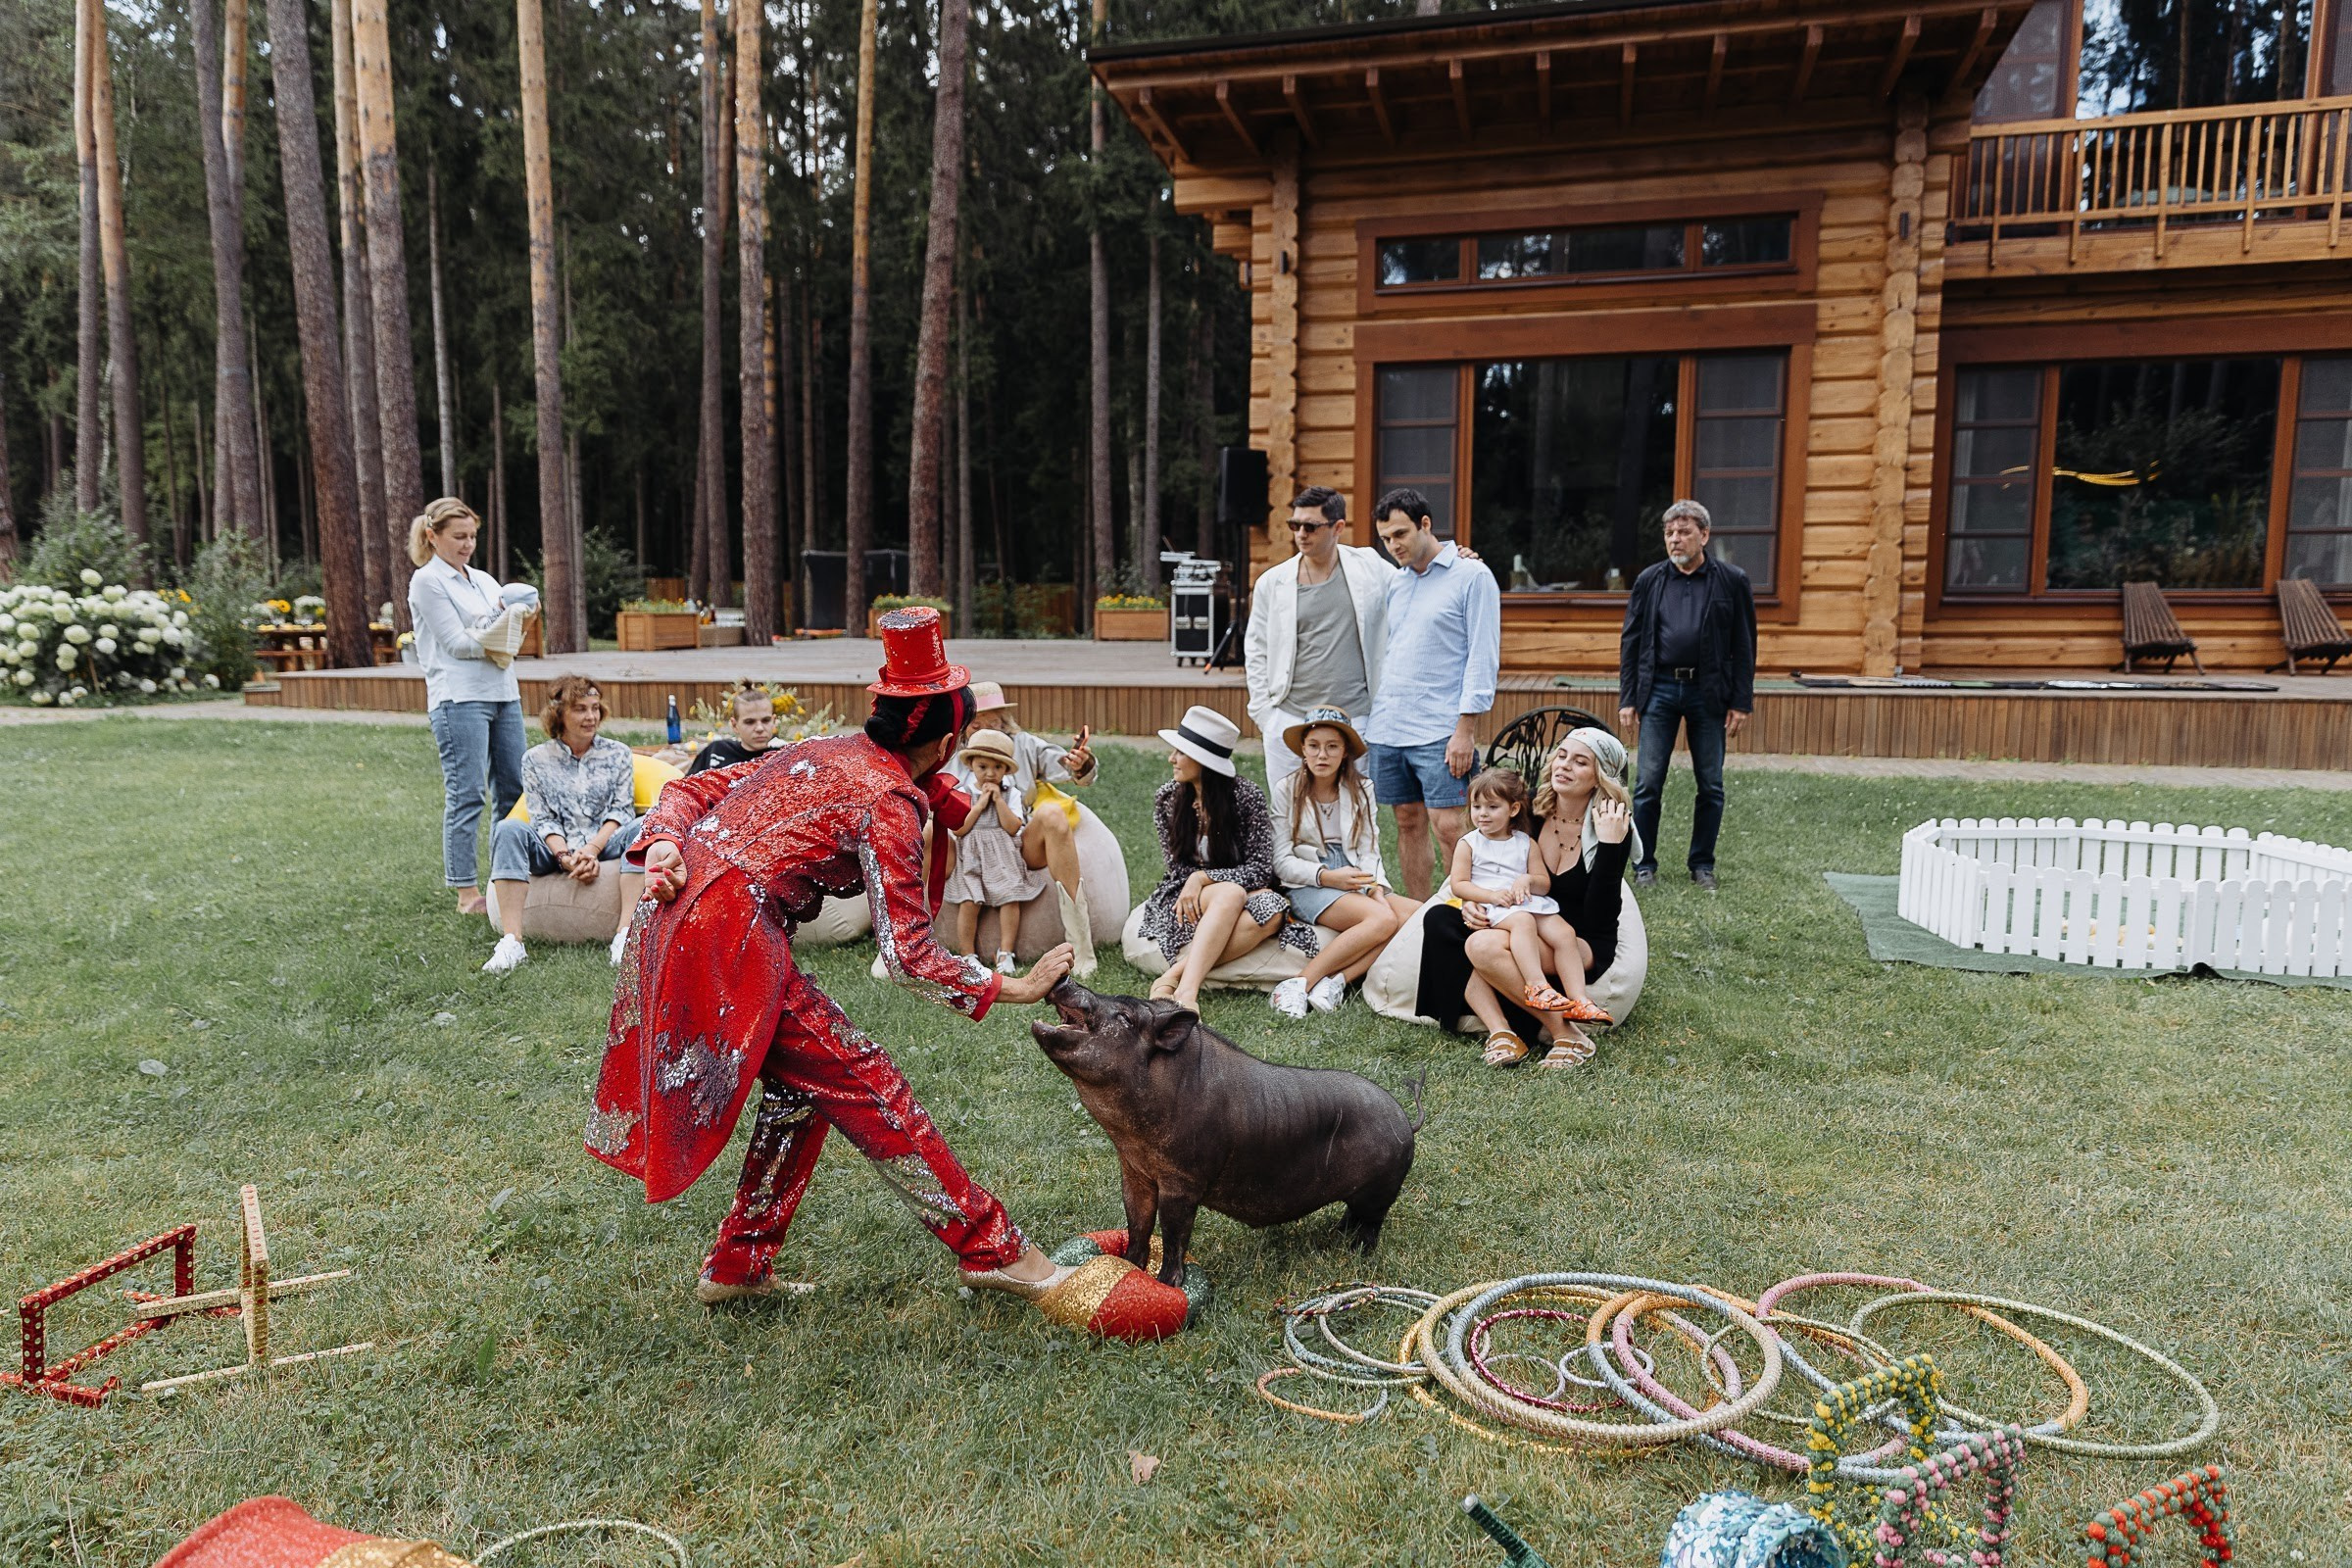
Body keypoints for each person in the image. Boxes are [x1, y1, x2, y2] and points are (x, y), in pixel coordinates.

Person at [587, 607, 1080, 1308]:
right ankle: (992, 1248)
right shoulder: (887, 798)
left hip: (678, 915)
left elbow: (690, 788)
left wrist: (668, 839)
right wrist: (1014, 986)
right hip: (727, 934)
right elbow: (907, 954)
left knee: (803, 1087)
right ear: (945, 741)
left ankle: (737, 1267)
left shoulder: (836, 750)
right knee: (862, 1074)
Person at [1416, 730, 1642, 1069]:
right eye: (1562, 755)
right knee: (1439, 919)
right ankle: (1503, 1032)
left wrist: (1610, 847)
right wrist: (1475, 904)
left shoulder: (1611, 827)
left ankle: (1568, 1035)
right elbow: (1494, 860)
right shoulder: (1532, 809)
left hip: (1575, 937)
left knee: (1482, 947)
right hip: (1517, 915)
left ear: (1600, 776)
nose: (1564, 766)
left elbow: (1600, 917)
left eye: (1580, 762)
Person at [1364, 487, 1501, 901]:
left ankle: (1467, 911)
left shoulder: (1472, 576)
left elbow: (1483, 654)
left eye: (1401, 534)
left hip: (1441, 729)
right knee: (1407, 821)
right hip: (1388, 726)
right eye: (1386, 539)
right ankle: (1420, 915)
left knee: (1450, 825)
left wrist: (1466, 727)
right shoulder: (1397, 582)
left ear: (1425, 524)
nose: (1394, 546)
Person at [1132, 705, 1316, 1012]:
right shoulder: (1168, 798)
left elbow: (1260, 868)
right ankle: (1188, 995)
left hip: (1240, 890)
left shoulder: (1246, 797)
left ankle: (1171, 978)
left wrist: (1204, 877)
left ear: (1203, 761)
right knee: (1230, 892)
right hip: (1186, 894)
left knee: (1272, 912)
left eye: (1180, 753)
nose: (1171, 759)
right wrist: (1197, 882)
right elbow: (1178, 869)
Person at [1617, 498, 1756, 892]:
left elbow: (1744, 645)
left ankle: (1702, 865)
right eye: (1669, 533)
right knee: (1647, 784)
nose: (1675, 540)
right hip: (1658, 689)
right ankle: (1644, 866)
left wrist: (1741, 701)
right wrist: (1629, 698)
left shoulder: (1731, 580)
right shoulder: (1650, 580)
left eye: (1683, 532)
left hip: (1708, 692)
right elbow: (1631, 641)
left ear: (1704, 535)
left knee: (1710, 784)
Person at [406, 497, 530, 917]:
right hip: (458, 700)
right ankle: (465, 892)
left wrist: (512, 624)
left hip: (503, 694)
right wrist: (499, 631)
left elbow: (504, 629)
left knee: (513, 791)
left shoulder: (483, 579)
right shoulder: (427, 582)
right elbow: (456, 644)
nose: (467, 545)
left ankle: (502, 880)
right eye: (458, 537)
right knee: (468, 795)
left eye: (472, 536)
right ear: (432, 536)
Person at [484, 675, 645, 974]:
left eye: (595, 708)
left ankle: (625, 936)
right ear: (559, 714)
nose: (591, 716)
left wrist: (592, 850)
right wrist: (565, 857)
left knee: (646, 825)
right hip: (553, 851)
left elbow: (621, 810)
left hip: (605, 843)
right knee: (507, 829)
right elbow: (542, 818)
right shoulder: (535, 759)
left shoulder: (619, 753)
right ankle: (512, 942)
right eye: (581, 709)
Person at [1266, 707, 1416, 1020]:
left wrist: (1374, 886)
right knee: (1384, 921)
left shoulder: (1362, 790)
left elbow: (1369, 849)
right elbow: (1281, 860)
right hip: (1309, 880)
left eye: (1332, 746)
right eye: (1314, 746)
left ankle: (1335, 982)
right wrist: (1326, 877)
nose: (1323, 754)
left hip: (1355, 873)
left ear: (1345, 752)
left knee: (1416, 917)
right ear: (1303, 751)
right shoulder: (1287, 790)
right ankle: (1297, 984)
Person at [1242, 486, 1390, 787]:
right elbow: (1256, 649)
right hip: (1290, 717)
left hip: (1355, 718)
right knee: (1289, 818)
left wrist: (1459, 560)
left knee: (1355, 818)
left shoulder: (1369, 567)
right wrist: (1266, 717)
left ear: (1337, 528)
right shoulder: (1273, 581)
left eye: (1310, 526)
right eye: (1294, 525)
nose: (1301, 534)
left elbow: (1414, 583)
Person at [955, 682, 1103, 978]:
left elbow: (1066, 768)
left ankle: (1081, 945)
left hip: (1015, 843)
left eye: (994, 724)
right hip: (962, 845)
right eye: (976, 724)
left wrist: (1080, 764)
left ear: (1005, 723)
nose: (987, 731)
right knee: (924, 827)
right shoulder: (950, 751)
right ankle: (900, 940)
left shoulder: (1022, 744)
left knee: (1053, 814)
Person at [1447, 768, 1610, 1023]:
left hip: (1527, 901)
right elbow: (1458, 884)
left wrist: (1526, 880)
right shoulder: (1469, 844)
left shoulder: (1525, 842)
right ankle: (1537, 986)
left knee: (1565, 934)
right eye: (1476, 806)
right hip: (1496, 906)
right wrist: (1490, 896)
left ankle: (1579, 1000)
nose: (1482, 814)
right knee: (1523, 922)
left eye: (1492, 807)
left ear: (1512, 809)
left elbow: (1544, 884)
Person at [945, 728, 1050, 973]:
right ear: (971, 765)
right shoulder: (963, 792)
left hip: (1002, 856)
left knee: (1010, 898)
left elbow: (1014, 827)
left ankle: (1005, 953)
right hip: (971, 856)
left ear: (1005, 770)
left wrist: (999, 801)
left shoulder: (1011, 793)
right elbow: (959, 829)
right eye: (983, 767)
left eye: (997, 768)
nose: (990, 774)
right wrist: (980, 805)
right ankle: (967, 954)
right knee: (969, 900)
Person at [686, 682, 782, 775]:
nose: (759, 728)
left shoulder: (783, 757)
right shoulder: (716, 751)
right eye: (750, 722)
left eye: (766, 720)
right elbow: (685, 788)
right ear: (734, 725)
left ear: (773, 721)